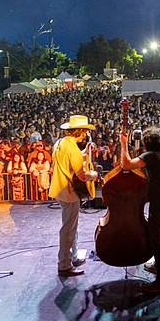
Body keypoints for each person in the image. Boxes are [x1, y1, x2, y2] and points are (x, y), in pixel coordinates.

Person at [119, 126, 160, 294]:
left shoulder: (151, 156)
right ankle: (159, 266)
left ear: (147, 142)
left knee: (156, 242)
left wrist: (124, 144)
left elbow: (126, 164)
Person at [49, 115, 98, 277]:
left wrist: (85, 152)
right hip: (69, 192)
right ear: (81, 132)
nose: (85, 135)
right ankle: (64, 265)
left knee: (71, 226)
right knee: (68, 229)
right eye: (84, 131)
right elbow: (82, 176)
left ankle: (74, 257)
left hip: (59, 190)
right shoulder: (72, 149)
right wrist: (94, 174)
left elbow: (69, 159)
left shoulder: (60, 143)